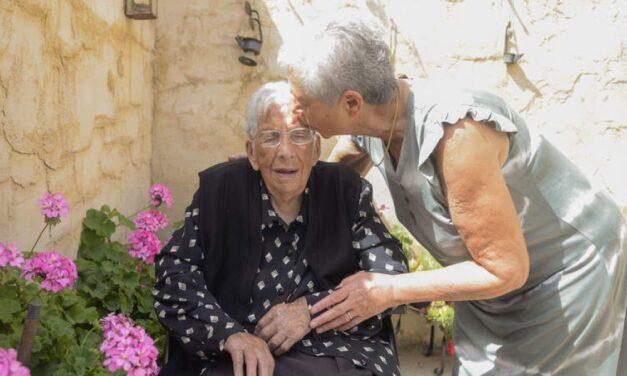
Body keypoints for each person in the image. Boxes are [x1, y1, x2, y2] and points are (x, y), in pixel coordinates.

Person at [279, 16, 627, 375]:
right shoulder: (371, 124)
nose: (295, 110)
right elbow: (326, 190)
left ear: (351, 103)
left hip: (566, 273)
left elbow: (504, 269)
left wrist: (388, 290)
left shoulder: (457, 135)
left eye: (302, 101)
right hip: (490, 286)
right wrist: (262, 173)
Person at [153, 81, 408, 376]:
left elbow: (390, 273)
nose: (285, 152)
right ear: (252, 152)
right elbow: (174, 271)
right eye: (271, 138)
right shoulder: (220, 191)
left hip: (333, 349)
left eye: (299, 136)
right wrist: (228, 335)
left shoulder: (346, 191)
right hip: (241, 352)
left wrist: (311, 310)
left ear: (315, 150)